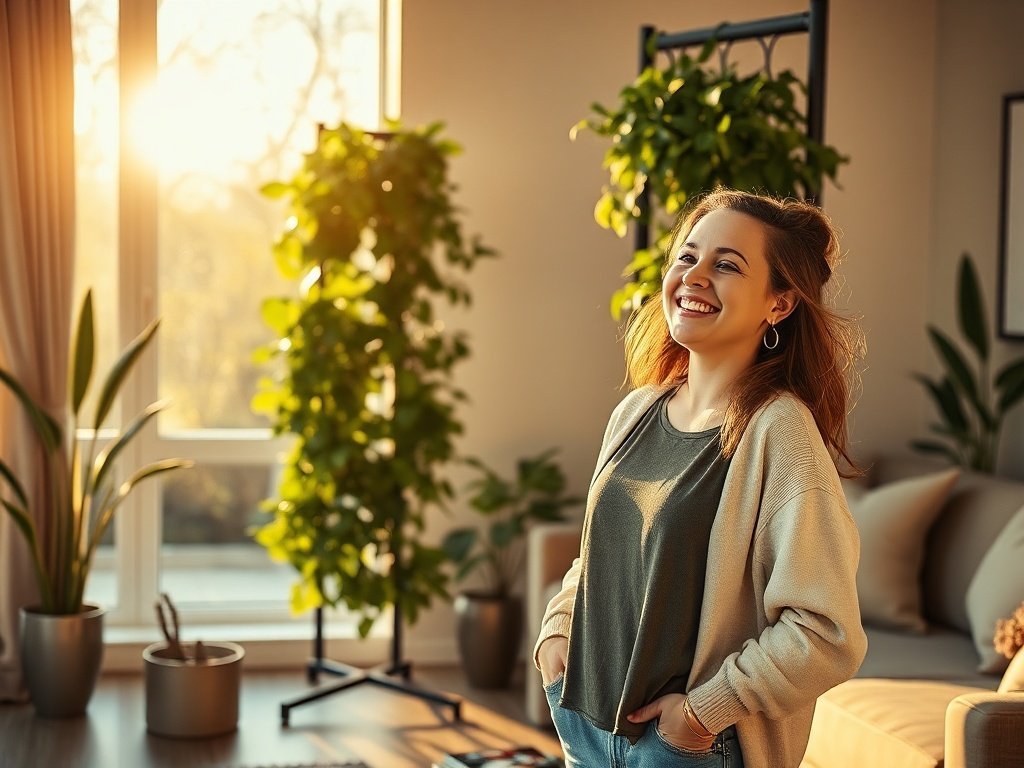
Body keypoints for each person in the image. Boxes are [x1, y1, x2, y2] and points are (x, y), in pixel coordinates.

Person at [534, 188, 868, 768]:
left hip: (683, 749)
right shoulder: (637, 411)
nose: (695, 275)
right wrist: (558, 634)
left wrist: (703, 711)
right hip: (585, 723)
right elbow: (600, 555)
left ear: (780, 303)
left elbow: (826, 632)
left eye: (727, 265)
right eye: (687, 257)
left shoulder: (779, 431)